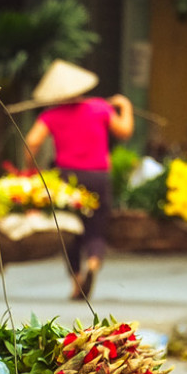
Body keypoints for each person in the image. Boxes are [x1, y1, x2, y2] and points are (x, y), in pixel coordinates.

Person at [22, 60, 134, 300]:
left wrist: (31, 168)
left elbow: (32, 142)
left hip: (67, 180)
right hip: (98, 177)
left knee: (70, 230)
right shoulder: (100, 108)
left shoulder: (51, 115)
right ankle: (93, 264)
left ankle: (76, 281)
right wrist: (125, 106)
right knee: (96, 229)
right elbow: (124, 131)